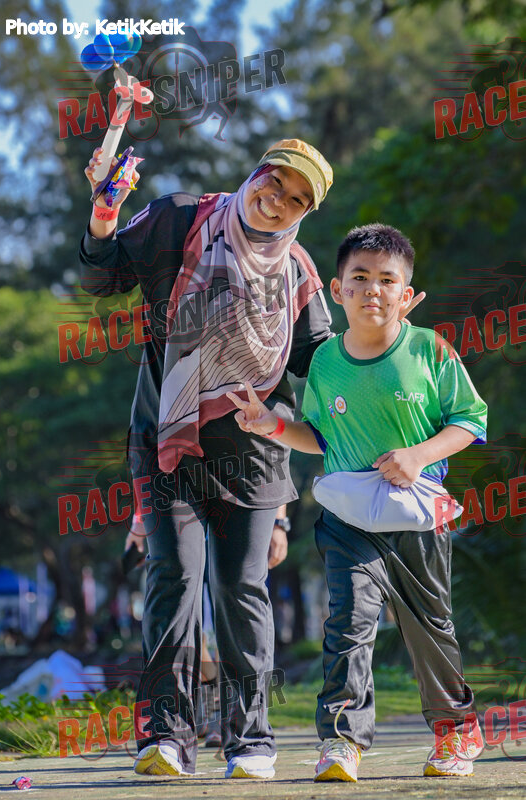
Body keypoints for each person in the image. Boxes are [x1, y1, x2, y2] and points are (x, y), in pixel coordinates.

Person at [80, 138, 340, 780]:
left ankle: (251, 742)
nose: (276, 202)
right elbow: (103, 278)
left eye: (296, 200)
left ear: (305, 213)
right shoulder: (177, 220)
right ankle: (165, 737)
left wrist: (387, 345)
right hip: (165, 438)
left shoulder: (297, 273)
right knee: (171, 576)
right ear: (255, 172)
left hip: (254, 452)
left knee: (239, 589)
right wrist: (104, 213)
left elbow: (322, 368)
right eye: (274, 182)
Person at [227, 223, 488, 782]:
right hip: (347, 518)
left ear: (407, 294)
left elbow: (471, 419)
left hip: (418, 514)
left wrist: (418, 455)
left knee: (429, 626)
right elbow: (319, 436)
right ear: (337, 289)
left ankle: (455, 731)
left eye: (387, 280)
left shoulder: (430, 349)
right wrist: (270, 424)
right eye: (360, 278)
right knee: (348, 621)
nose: (373, 289)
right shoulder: (325, 361)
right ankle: (341, 739)